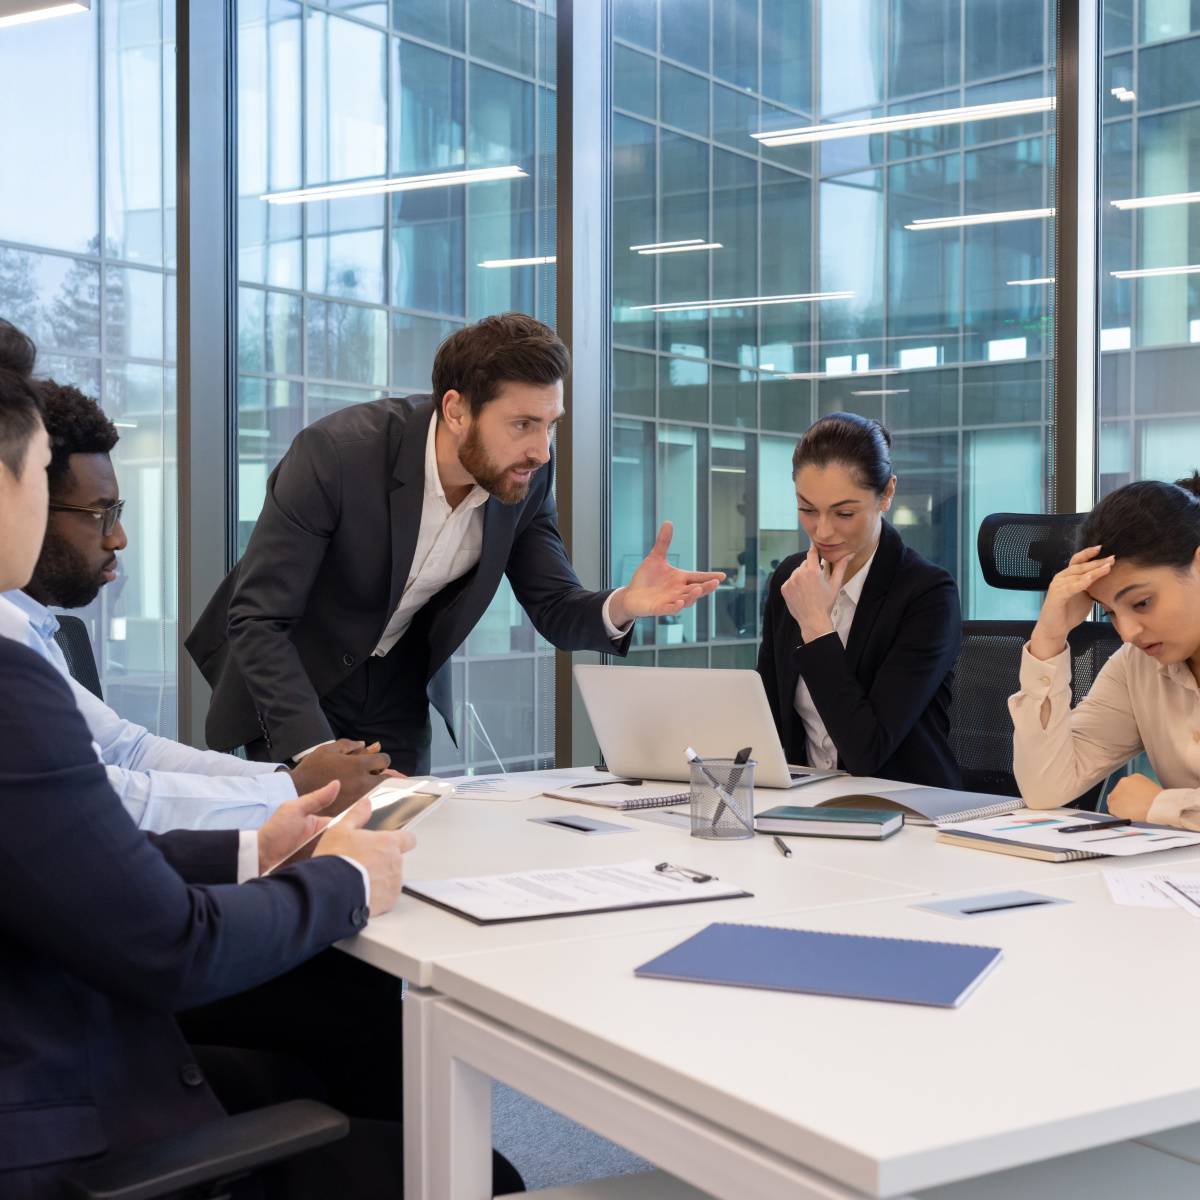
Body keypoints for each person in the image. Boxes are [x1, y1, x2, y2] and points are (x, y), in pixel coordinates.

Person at [0, 361, 438, 1198]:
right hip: (67, 1124)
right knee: (469, 1164)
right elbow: (171, 945)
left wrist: (254, 843)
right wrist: (345, 874)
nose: (119, 536)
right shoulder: (6, 675)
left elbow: (68, 831)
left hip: (61, 1034)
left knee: (340, 1030)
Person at [189, 312, 724, 772]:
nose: (540, 449)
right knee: (307, 851)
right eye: (522, 424)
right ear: (455, 409)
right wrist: (315, 751)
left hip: (399, 683)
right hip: (296, 678)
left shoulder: (525, 475)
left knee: (407, 846)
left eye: (550, 425)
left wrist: (625, 603)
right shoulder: (336, 455)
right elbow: (258, 619)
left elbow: (554, 604)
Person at [0, 372, 389, 833]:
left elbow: (130, 749)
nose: (119, 538)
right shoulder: (12, 635)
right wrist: (292, 790)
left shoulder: (27, 626)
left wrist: (292, 780)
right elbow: (103, 796)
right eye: (102, 514)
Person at [756, 412, 962, 786]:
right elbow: (768, 719)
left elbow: (866, 751)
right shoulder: (790, 580)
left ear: (887, 494)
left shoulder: (928, 595)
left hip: (904, 808)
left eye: (844, 513)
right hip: (804, 802)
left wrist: (817, 627)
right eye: (807, 509)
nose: (822, 530)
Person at [1011, 473, 1200, 829]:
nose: (1127, 633)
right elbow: (1046, 787)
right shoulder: (1137, 666)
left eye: (1142, 602)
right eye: (1111, 612)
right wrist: (1049, 637)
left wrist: (1161, 805)